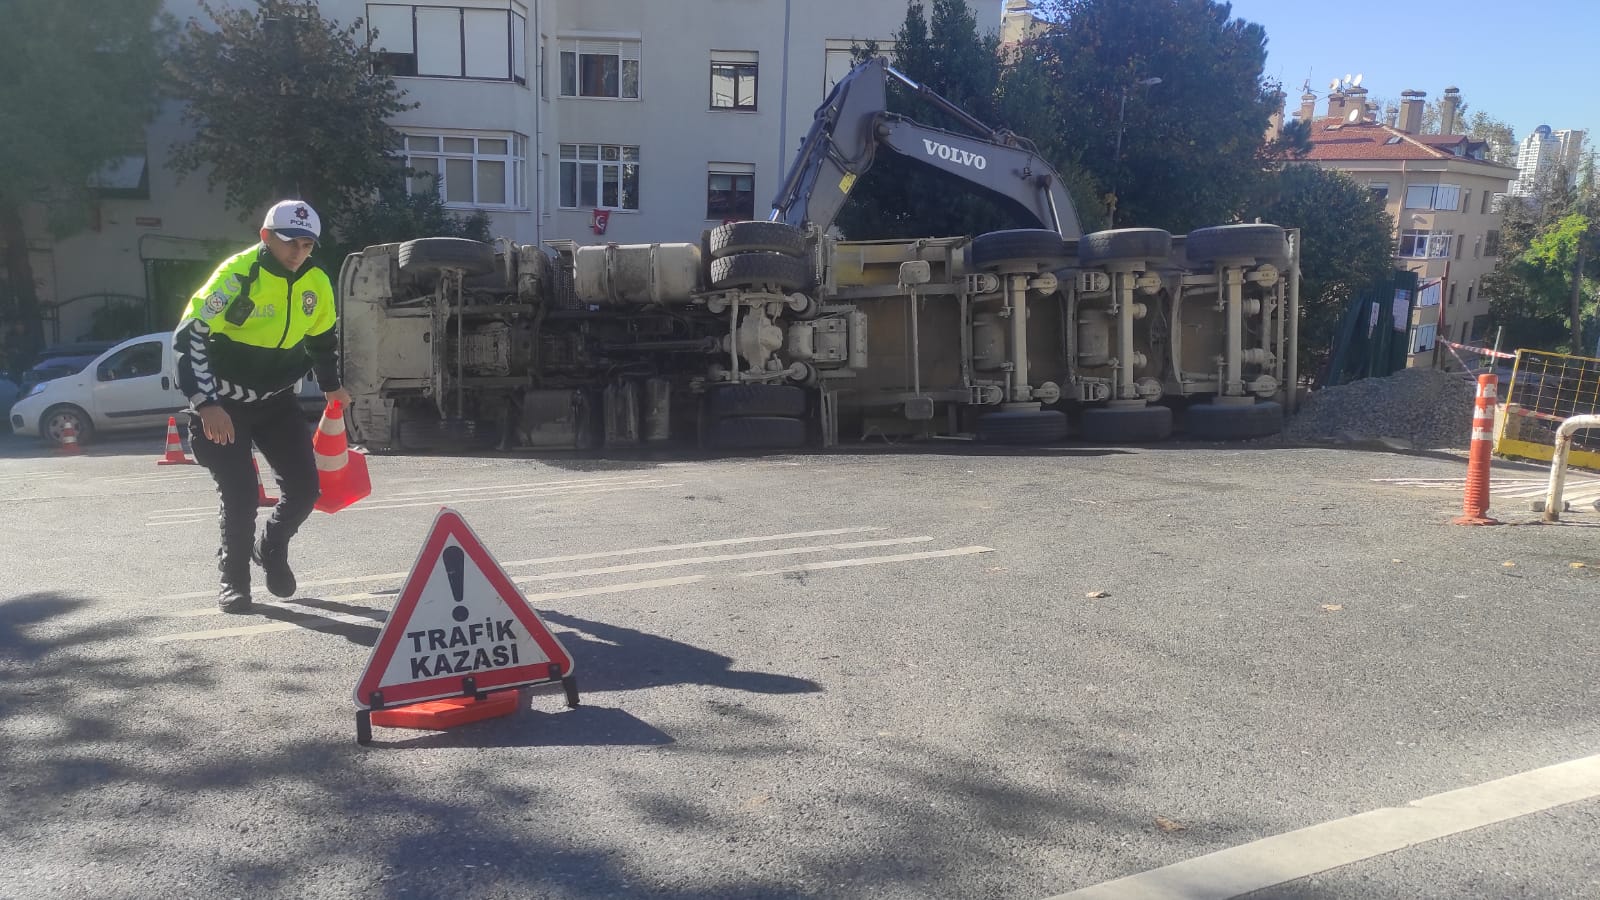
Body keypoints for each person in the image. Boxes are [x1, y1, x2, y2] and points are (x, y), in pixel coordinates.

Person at [173, 200, 351, 612]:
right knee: (239, 496)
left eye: (307, 245)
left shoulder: (317, 282)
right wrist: (205, 403)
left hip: (277, 401)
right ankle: (234, 580)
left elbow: (322, 341)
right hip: (224, 404)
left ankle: (270, 547)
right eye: (290, 242)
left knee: (306, 491)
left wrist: (332, 387)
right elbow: (189, 337)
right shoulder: (237, 275)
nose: (298, 252)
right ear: (267, 237)